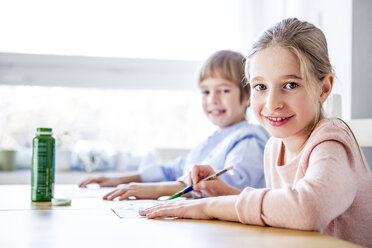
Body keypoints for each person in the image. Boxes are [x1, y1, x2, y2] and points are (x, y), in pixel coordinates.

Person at [139, 18, 372, 247]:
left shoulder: (331, 140)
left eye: (290, 85)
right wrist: (224, 193)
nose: (272, 103)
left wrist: (207, 207)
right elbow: (281, 212)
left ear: (324, 89)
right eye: (260, 87)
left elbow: (308, 210)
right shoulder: (274, 146)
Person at [79, 50, 269, 200]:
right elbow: (171, 170)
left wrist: (154, 190)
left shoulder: (249, 140)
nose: (213, 99)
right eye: (205, 92)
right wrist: (118, 180)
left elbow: (223, 187)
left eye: (224, 90)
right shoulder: (214, 140)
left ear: (247, 96)